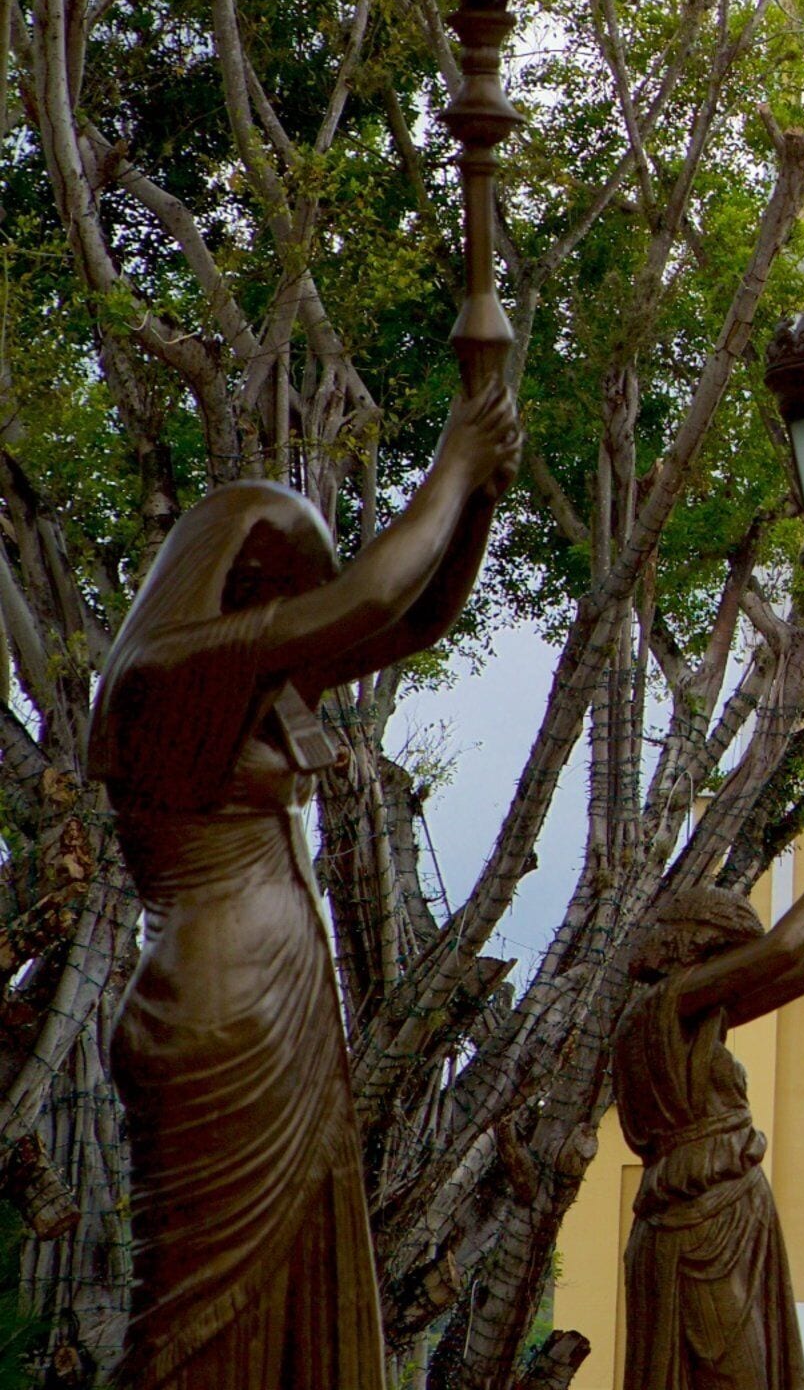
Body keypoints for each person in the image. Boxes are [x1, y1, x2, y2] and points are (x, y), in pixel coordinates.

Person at [93, 381, 520, 1388]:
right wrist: (452, 461)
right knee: (199, 1308)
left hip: (276, 1001)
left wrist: (482, 499)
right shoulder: (166, 672)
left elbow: (408, 624)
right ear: (238, 578)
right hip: (216, 1009)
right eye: (285, 588)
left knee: (286, 1279)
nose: (298, 617)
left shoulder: (244, 682)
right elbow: (367, 599)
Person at [614, 790, 804, 1390]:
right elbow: (785, 948)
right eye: (728, 958)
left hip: (723, 1208)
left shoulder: (698, 1018)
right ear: (694, 947)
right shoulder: (666, 1006)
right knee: (734, 1374)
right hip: (697, 1223)